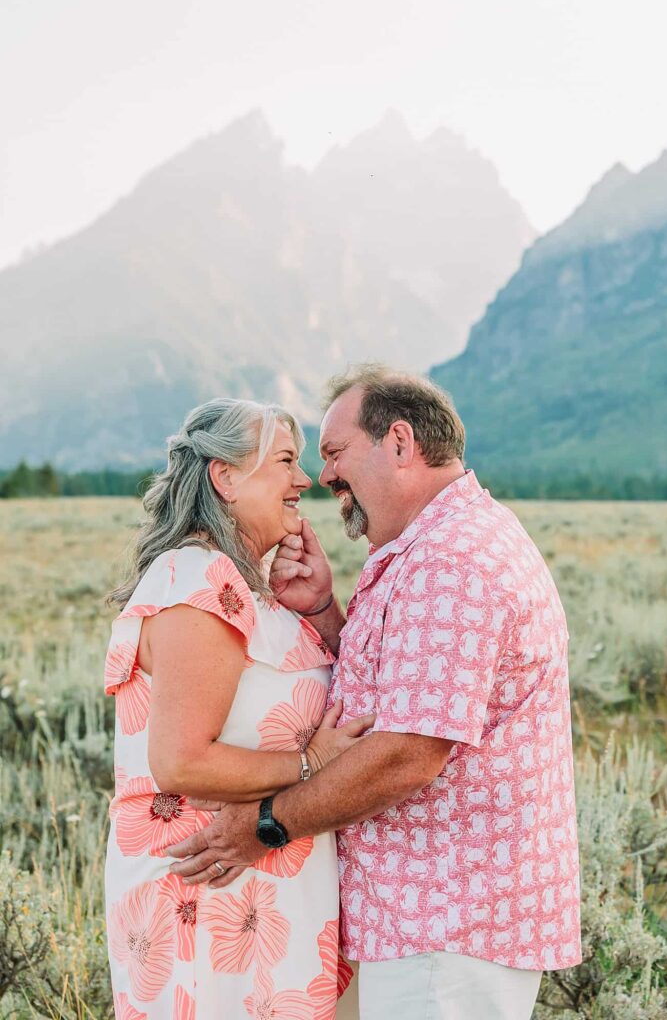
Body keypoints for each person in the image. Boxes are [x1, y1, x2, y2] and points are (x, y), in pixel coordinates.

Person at [169, 365, 583, 1020]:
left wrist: (268, 823)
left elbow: (408, 752)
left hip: (448, 924)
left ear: (397, 442)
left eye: (333, 453)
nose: (322, 477)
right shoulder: (436, 547)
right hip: (426, 923)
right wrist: (327, 616)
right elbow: (405, 696)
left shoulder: (452, 561)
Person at [104, 397, 373, 1019]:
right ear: (225, 476)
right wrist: (309, 764)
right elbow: (180, 763)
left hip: (265, 890)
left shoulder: (250, 587)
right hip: (212, 892)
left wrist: (319, 609)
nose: (303, 481)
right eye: (284, 461)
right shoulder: (197, 580)